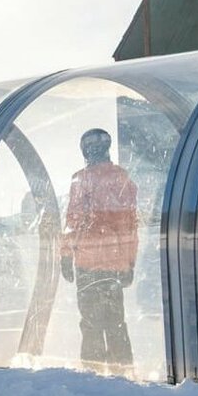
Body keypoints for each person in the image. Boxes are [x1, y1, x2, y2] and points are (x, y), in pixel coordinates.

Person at [61, 129, 138, 376]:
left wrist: (66, 255)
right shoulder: (122, 179)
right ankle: (122, 373)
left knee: (91, 322)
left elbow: (72, 221)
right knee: (116, 323)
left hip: (86, 263)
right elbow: (130, 225)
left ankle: (92, 374)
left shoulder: (81, 180)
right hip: (115, 263)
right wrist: (129, 263)